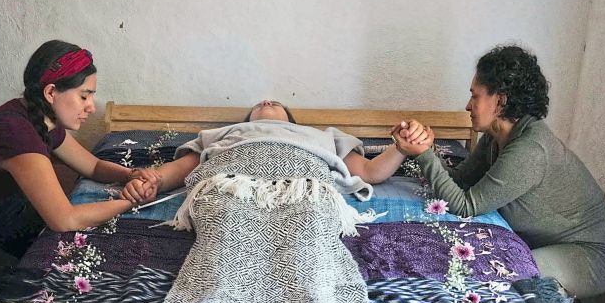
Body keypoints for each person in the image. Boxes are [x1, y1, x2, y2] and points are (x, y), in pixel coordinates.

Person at [0, 40, 156, 303]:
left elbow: (93, 166)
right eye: (84, 96)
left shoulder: (40, 119)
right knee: (39, 289)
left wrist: (131, 174)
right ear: (51, 92)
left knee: (66, 250)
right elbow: (64, 219)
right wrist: (130, 201)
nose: (91, 106)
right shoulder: (16, 132)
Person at [393, 45, 605, 298]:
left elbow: (465, 207)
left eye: (475, 96)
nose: (467, 106)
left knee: (500, 276)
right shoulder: (498, 135)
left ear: (501, 101)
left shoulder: (530, 149)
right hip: (554, 242)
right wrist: (425, 148)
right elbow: (461, 180)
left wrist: (424, 155)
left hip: (594, 253)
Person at [122, 99, 427, 203]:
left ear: (292, 122)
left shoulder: (320, 136)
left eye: (276, 103)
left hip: (304, 189)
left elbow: (372, 172)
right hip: (231, 187)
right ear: (248, 121)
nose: (267, 100)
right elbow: (180, 172)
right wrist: (150, 182)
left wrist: (400, 149)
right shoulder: (223, 134)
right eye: (261, 103)